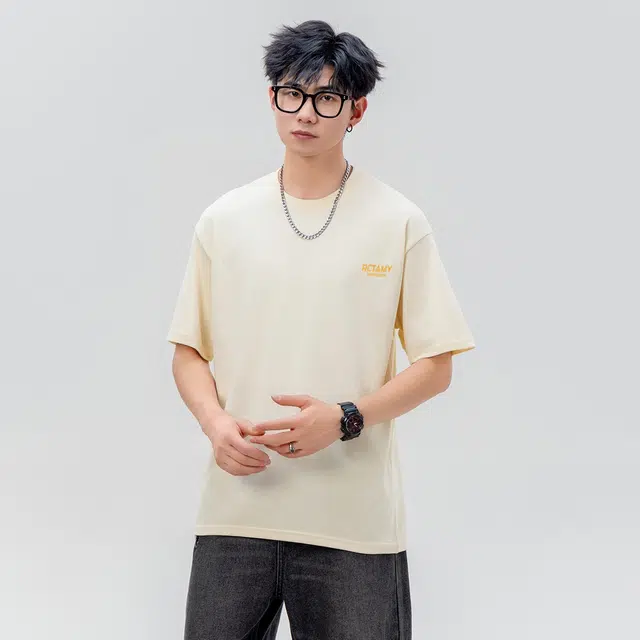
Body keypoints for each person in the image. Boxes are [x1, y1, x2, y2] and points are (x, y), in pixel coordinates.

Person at [166, 19, 476, 640]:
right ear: (272, 98)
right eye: (292, 93)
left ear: (356, 111)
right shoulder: (224, 220)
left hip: (352, 525)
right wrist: (214, 422)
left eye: (327, 97)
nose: (305, 112)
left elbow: (436, 365)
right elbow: (188, 351)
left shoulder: (397, 221)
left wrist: (345, 418)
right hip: (236, 514)